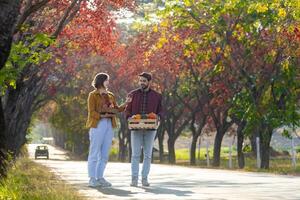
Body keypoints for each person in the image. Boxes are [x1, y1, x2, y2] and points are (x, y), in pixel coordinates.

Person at [86, 72, 131, 187]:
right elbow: (91, 112)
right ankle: (92, 178)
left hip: (109, 125)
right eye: (107, 80)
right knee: (94, 152)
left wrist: (126, 103)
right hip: (97, 124)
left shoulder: (110, 95)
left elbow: (117, 109)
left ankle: (100, 177)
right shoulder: (93, 95)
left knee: (105, 153)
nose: (108, 82)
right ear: (101, 81)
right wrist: (101, 116)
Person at [125, 72, 163, 187]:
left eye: (144, 81)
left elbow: (161, 111)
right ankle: (134, 179)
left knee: (147, 155)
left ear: (149, 82)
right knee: (135, 154)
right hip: (136, 128)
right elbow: (127, 110)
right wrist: (129, 117)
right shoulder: (132, 94)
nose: (141, 83)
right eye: (140, 80)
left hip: (150, 129)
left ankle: (144, 178)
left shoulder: (157, 96)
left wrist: (158, 116)